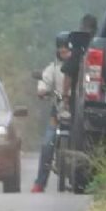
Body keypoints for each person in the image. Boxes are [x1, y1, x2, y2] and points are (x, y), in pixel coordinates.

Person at [31, 32, 71, 193]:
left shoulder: (82, 66)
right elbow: (45, 82)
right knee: (48, 144)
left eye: (67, 50)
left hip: (77, 115)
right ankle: (40, 183)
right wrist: (42, 90)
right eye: (61, 51)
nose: (64, 54)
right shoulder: (53, 68)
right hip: (58, 114)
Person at [61, 13, 97, 113]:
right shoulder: (101, 48)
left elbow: (68, 75)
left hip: (79, 102)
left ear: (81, 28)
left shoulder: (78, 50)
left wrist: (65, 97)